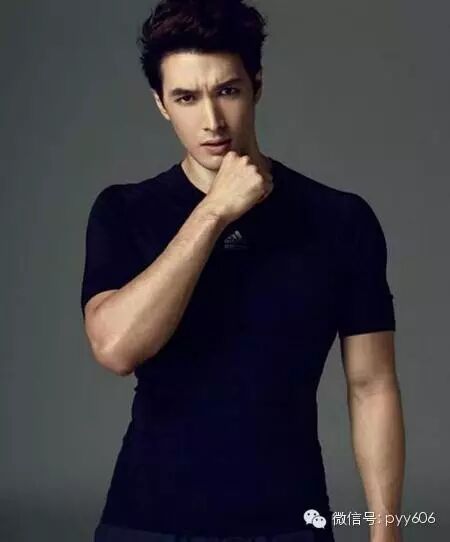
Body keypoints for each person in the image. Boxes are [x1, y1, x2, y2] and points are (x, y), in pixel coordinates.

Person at [80, 1, 405, 541]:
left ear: (256, 85)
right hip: (147, 521)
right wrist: (213, 212)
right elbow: (115, 348)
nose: (211, 121)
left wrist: (386, 530)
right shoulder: (125, 211)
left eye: (227, 90)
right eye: (186, 97)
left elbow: (372, 386)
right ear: (161, 104)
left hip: (290, 522)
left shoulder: (340, 219)